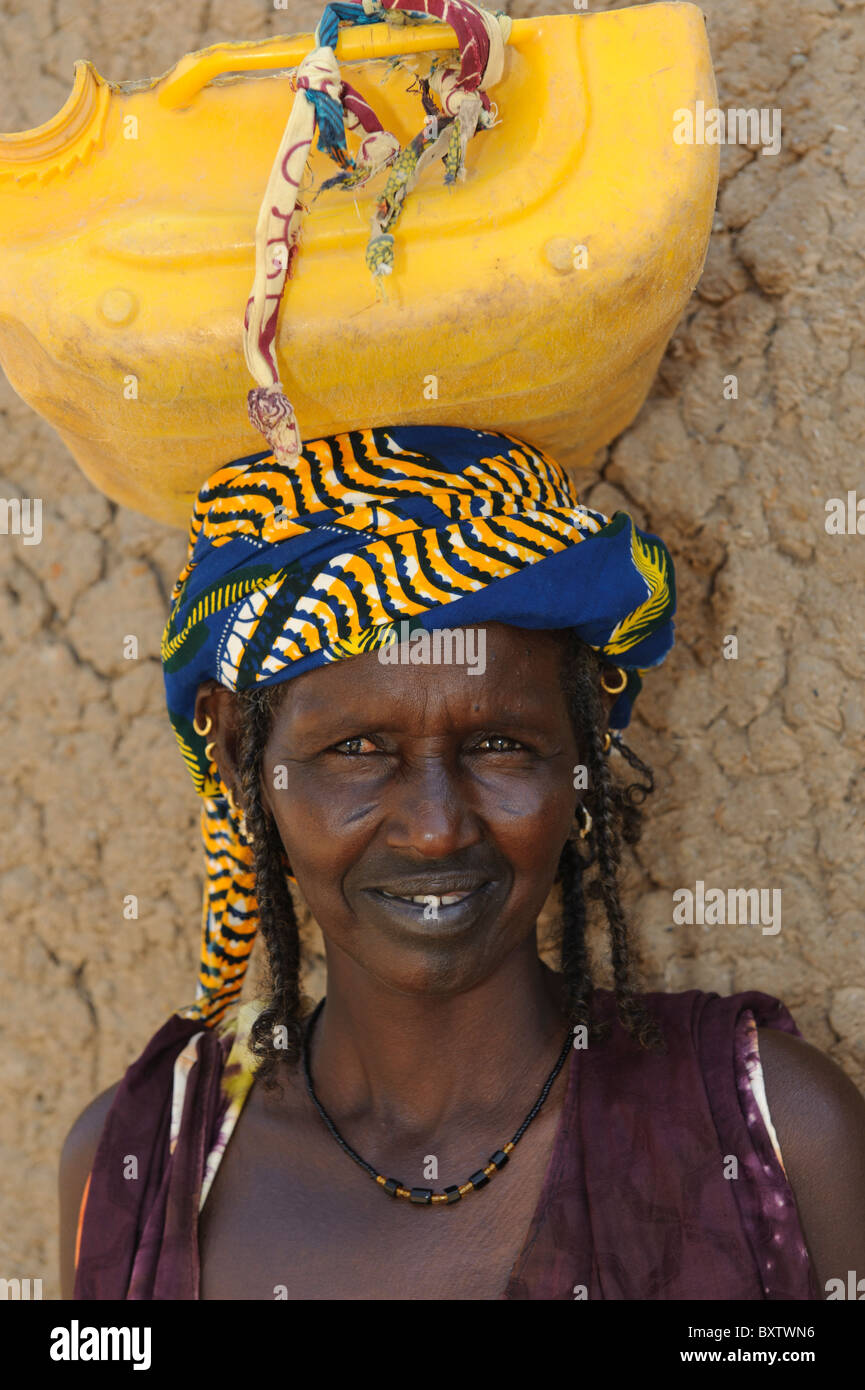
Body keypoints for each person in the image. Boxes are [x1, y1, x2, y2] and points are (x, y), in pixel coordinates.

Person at [59, 424, 865, 1300]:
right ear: (237, 760)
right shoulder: (137, 1170)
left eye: (498, 744)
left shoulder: (770, 1135)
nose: (437, 829)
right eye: (358, 748)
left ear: (581, 757)